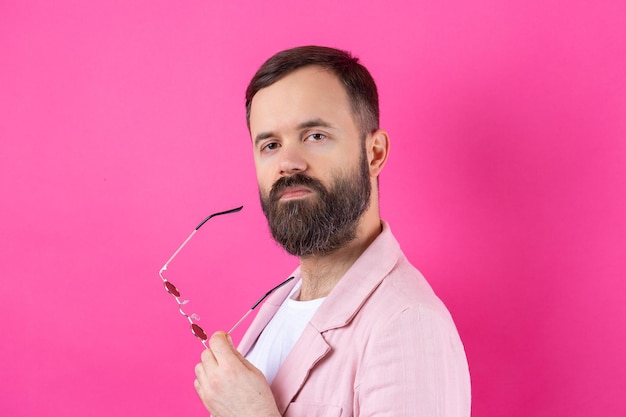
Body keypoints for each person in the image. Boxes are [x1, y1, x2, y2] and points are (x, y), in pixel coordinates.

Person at [193, 45, 471, 417]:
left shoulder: (408, 324)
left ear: (374, 154)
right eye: (271, 145)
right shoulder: (278, 308)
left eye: (315, 136)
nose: (288, 163)